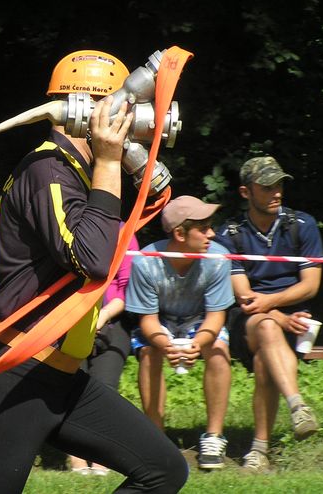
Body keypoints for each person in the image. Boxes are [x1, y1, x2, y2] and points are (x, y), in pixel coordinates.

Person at [0, 50, 188, 494]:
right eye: (129, 109)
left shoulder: (73, 174)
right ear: (94, 109)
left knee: (163, 470)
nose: (135, 123)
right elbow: (94, 260)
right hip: (12, 375)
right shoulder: (49, 170)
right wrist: (109, 162)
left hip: (60, 379)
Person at [215, 156, 323, 473]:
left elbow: (311, 286)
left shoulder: (302, 224)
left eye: (279, 185)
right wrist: (278, 315)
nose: (276, 192)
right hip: (248, 320)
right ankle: (297, 405)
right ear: (245, 192)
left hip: (295, 319)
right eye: (266, 187)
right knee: (264, 326)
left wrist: (274, 307)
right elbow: (244, 297)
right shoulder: (230, 233)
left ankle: (259, 450)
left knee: (266, 356)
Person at [125, 196, 234, 471]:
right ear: (179, 234)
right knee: (149, 353)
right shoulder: (146, 262)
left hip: (200, 320)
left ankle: (214, 437)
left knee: (218, 350)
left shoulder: (218, 259)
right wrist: (165, 345)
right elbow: (148, 320)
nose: (212, 234)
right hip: (160, 320)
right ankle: (156, 440)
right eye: (203, 228)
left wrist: (198, 343)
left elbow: (216, 316)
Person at [67, 227, 139, 476]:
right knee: (71, 386)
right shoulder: (67, 228)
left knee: (104, 388)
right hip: (68, 319)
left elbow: (126, 288)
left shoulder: (123, 231)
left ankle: (101, 457)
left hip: (111, 319)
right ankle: (76, 457)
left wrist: (103, 316)